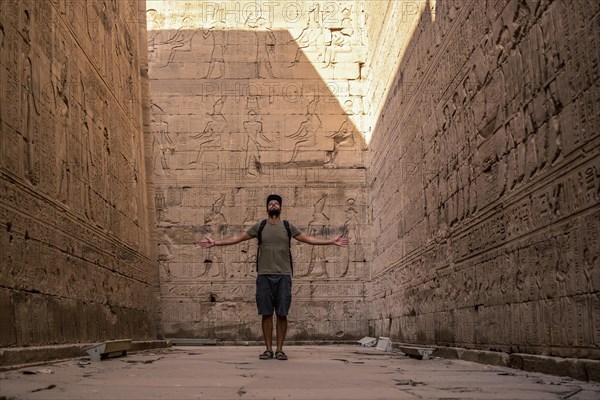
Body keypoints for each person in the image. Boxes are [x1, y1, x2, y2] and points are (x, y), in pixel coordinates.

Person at [199, 194, 349, 360]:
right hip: (264, 276)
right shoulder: (260, 226)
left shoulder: (287, 226)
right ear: (267, 208)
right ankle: (268, 349)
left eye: (276, 203)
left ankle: (280, 349)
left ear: (280, 208)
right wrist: (215, 243)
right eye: (270, 203)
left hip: (283, 276)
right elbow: (238, 238)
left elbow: (308, 239)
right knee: (266, 313)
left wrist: (331, 241)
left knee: (282, 314)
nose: (273, 205)